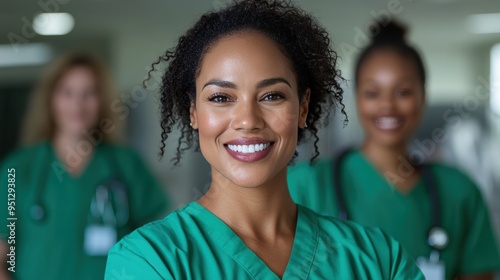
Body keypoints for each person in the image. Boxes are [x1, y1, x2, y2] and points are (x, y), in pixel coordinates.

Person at [104, 1, 424, 279]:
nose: (247, 120)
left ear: (303, 108)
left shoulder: (378, 259)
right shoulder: (149, 260)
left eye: (271, 95)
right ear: (193, 113)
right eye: (220, 98)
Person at [288, 20, 500, 279]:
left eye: (403, 92)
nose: (387, 105)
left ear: (423, 96)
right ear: (357, 99)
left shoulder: (459, 192)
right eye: (373, 93)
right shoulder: (304, 185)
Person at [0, 53, 169, 280]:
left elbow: (155, 241)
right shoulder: (18, 168)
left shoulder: (126, 164)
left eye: (89, 93)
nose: (77, 104)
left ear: (103, 100)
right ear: (51, 99)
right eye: (67, 93)